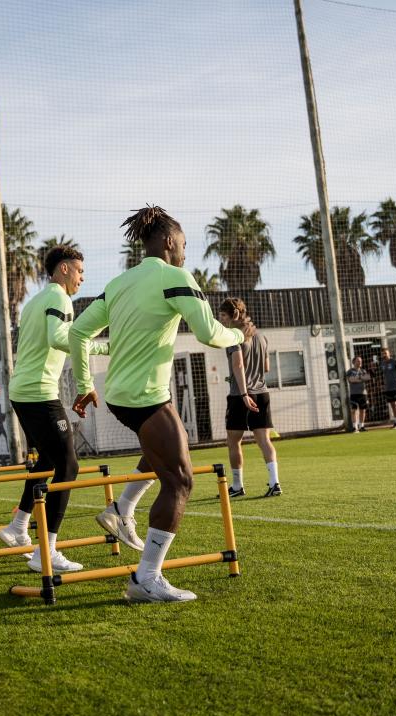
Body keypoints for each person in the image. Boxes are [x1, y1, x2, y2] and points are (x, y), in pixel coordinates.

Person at [70, 205, 246, 603]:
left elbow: (78, 332)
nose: (185, 251)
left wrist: (84, 383)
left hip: (119, 396)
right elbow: (206, 332)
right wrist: (237, 335)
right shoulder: (175, 276)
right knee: (180, 479)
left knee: (169, 446)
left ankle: (122, 507)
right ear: (169, 242)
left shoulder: (118, 283)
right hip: (145, 397)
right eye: (183, 244)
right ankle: (145, 579)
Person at [0, 244, 109, 573]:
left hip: (25, 390)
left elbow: (58, 338)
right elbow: (60, 338)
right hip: (37, 392)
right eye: (79, 271)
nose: (82, 278)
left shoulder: (36, 301)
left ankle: (17, 527)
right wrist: (103, 345)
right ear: (63, 269)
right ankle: (45, 551)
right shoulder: (60, 298)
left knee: (48, 460)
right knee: (69, 465)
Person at [217, 298, 281, 499]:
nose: (221, 321)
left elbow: (238, 366)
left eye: (223, 316)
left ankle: (237, 486)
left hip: (241, 396)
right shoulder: (261, 336)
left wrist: (244, 393)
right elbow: (267, 368)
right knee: (264, 440)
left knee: (233, 441)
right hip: (262, 393)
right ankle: (274, 483)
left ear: (234, 315)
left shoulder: (233, 336)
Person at [346, 356, 371, 432]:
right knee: (353, 410)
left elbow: (367, 378)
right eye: (358, 361)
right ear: (353, 362)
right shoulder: (350, 371)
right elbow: (351, 380)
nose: (360, 362)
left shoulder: (363, 371)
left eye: (361, 361)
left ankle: (361, 426)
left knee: (362, 410)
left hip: (363, 393)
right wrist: (361, 378)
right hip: (354, 394)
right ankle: (354, 427)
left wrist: (358, 378)